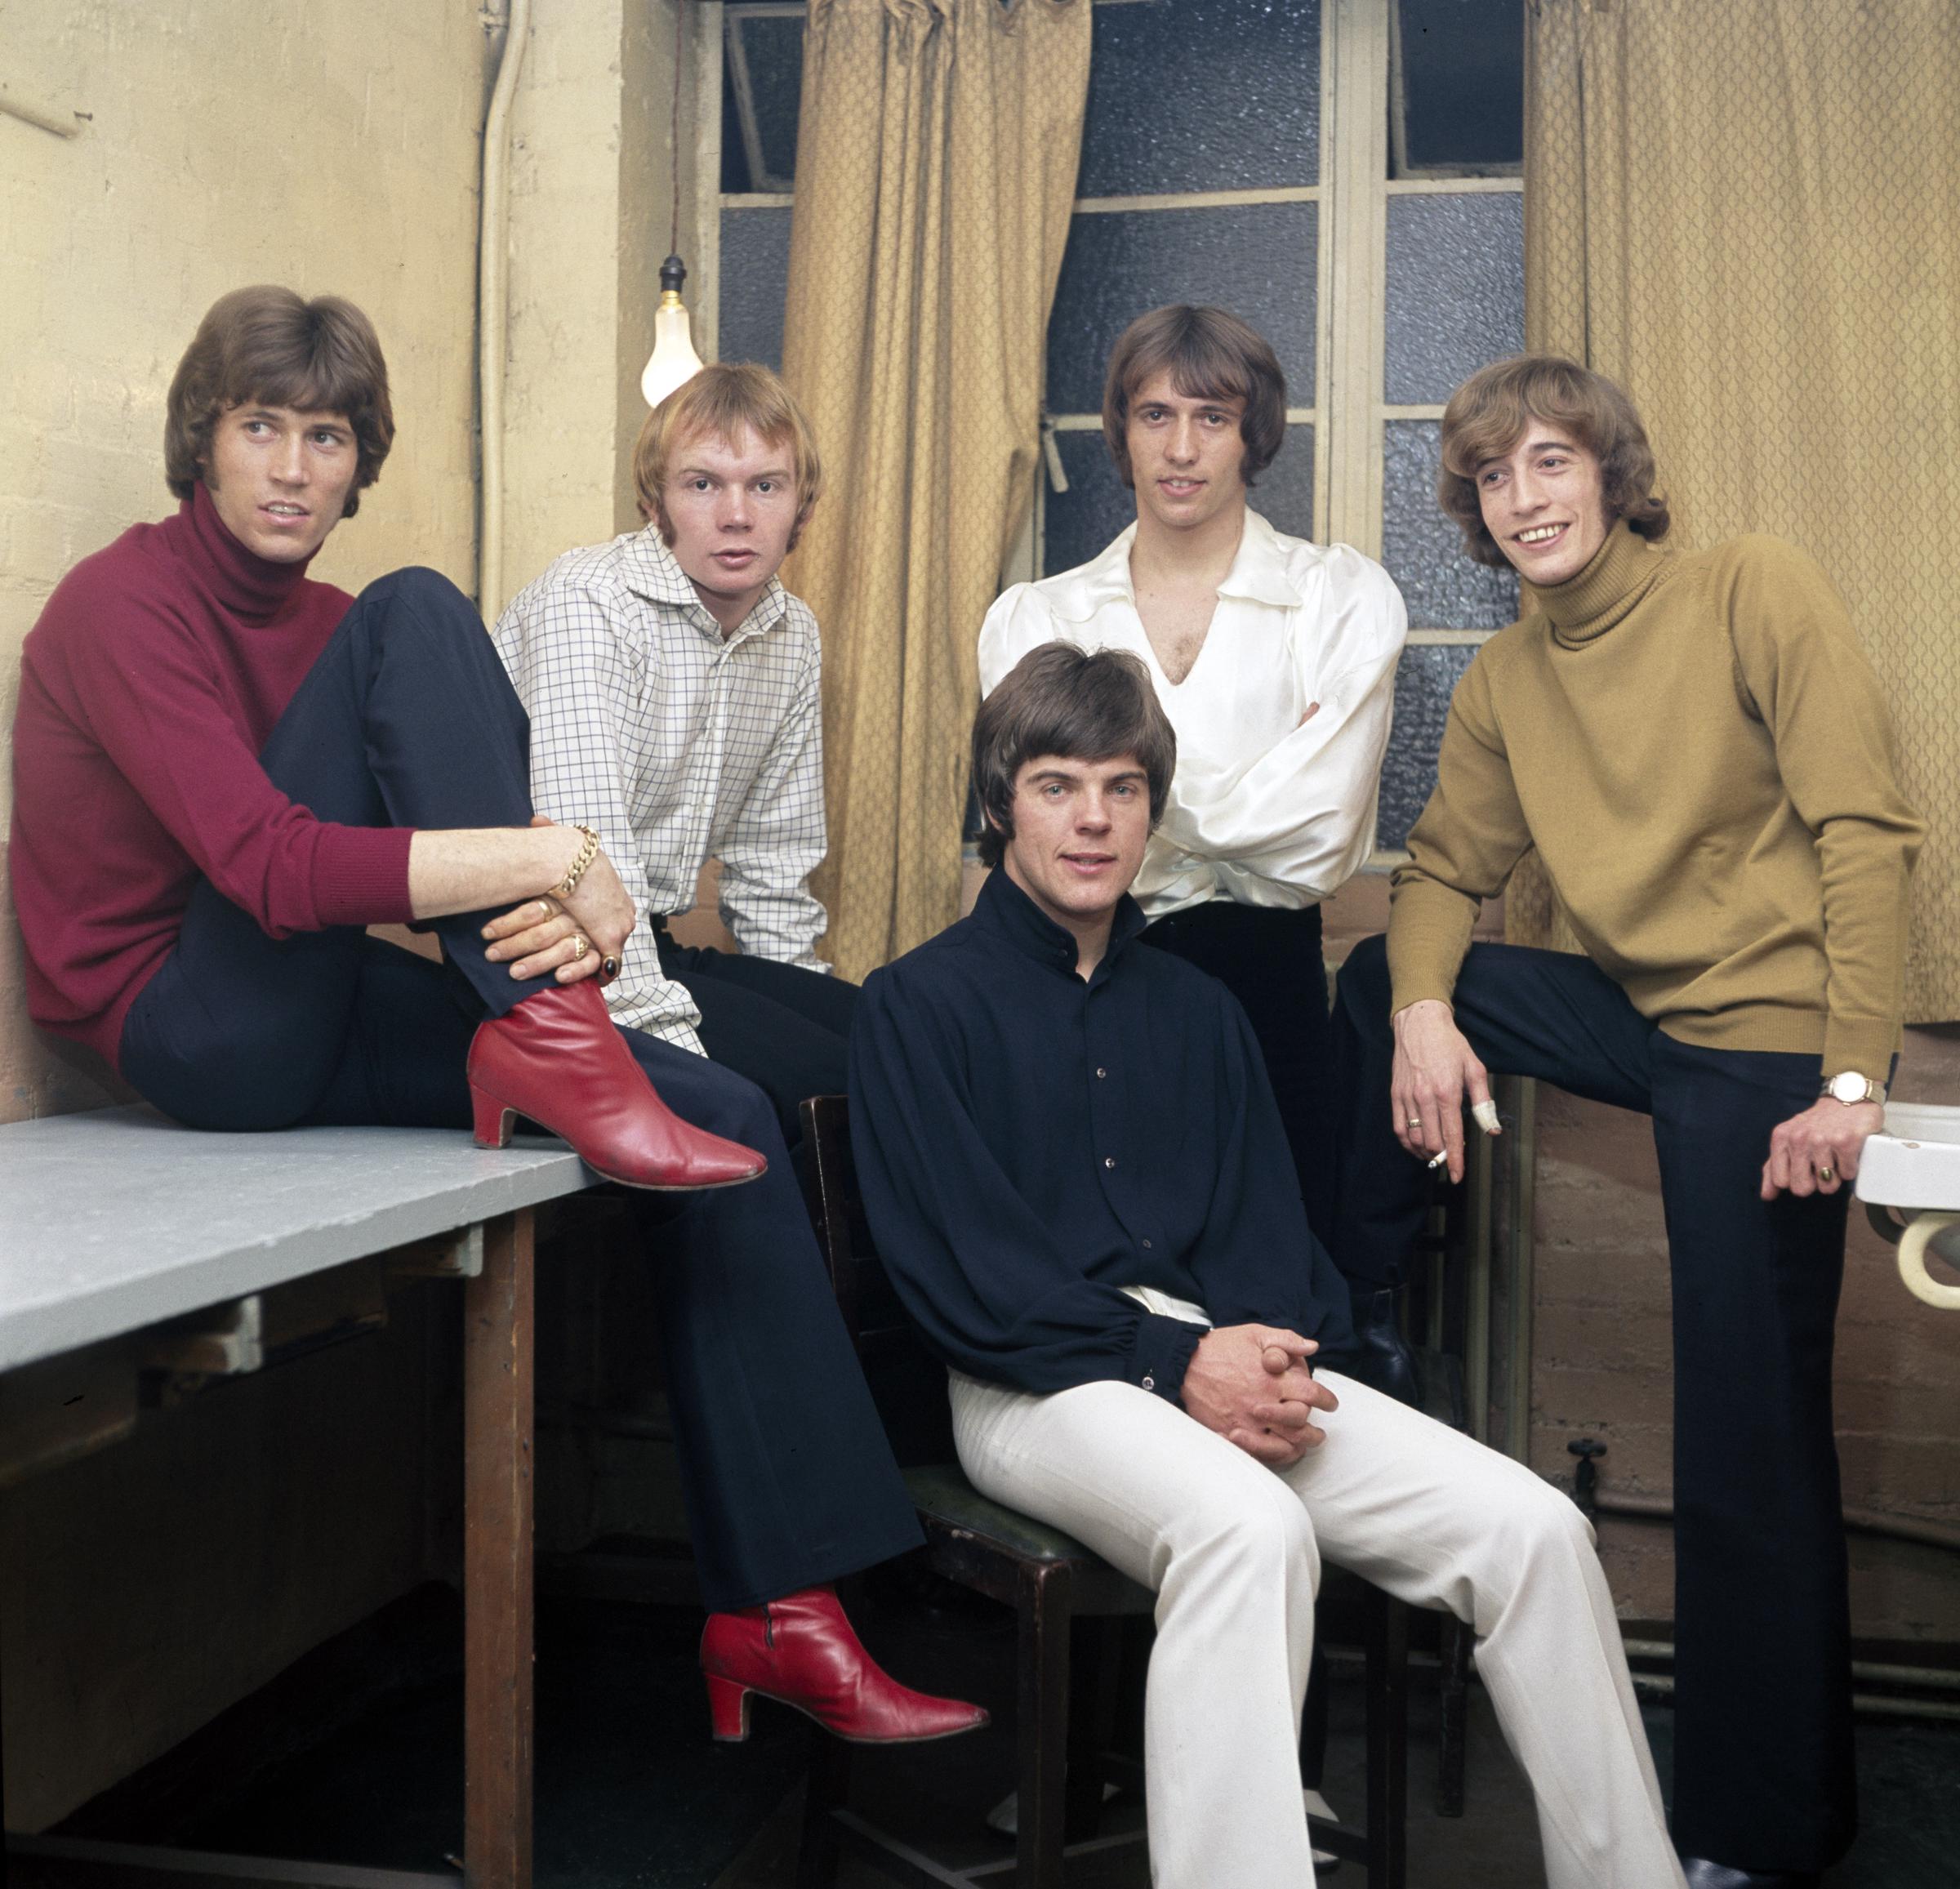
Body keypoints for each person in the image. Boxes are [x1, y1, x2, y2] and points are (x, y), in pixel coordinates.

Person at [8, 284, 984, 1748]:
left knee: (712, 1110)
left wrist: (552, 902)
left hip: (314, 1001)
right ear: (201, 443)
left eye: (326, 435)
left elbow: (383, 884)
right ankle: (560, 1038)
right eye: (259, 427)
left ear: (358, 458)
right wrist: (552, 857)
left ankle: (781, 1607)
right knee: (422, 607)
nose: (291, 467)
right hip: (185, 1029)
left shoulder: (327, 623)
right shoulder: (121, 603)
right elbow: (273, 871)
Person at [849, 643, 1686, 1889]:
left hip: (1226, 1353)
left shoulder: (1199, 1010)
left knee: (1538, 1531)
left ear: (1152, 812)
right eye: (1056, 785)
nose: (1092, 819)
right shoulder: (916, 1005)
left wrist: (1265, 1354)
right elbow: (971, 1279)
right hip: (1034, 1380)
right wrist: (1177, 1359)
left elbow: (1264, 1240)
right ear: (997, 801)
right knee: (1249, 1531)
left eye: (1124, 789)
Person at [1329, 354, 1924, 1889]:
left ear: (1608, 471)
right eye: (1491, 478)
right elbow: (1447, 873)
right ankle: (1360, 1316)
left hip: (1768, 1044)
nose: (1522, 498)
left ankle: (1759, 1832)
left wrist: (1851, 1080)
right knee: (1373, 988)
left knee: (1746, 1430)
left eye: (1548, 463)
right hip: (1638, 1012)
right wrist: (1420, 1012)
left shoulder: (1748, 588)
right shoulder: (1513, 681)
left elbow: (1866, 827)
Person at [978, 305, 1410, 1391]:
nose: (1179, 447)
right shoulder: (1033, 616)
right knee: (1106, 1298)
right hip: (1074, 981)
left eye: (1210, 417)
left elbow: (1315, 842)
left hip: (1268, 991)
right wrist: (1242, 809)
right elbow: (1037, 838)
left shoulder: (1339, 597)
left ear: (1253, 434)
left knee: (1281, 1325)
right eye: (1154, 414)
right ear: (1118, 430)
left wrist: (1132, 814)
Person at [494, 364, 853, 1149]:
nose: (735, 515)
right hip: (547, 955)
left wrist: (791, 995)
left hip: (651, 939)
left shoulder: (790, 633)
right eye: (702, 485)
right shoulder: (590, 602)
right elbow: (585, 873)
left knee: (888, 1049)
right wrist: (684, 1066)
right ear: (654, 503)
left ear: (803, 509)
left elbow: (772, 869)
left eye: (765, 486)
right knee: (798, 1088)